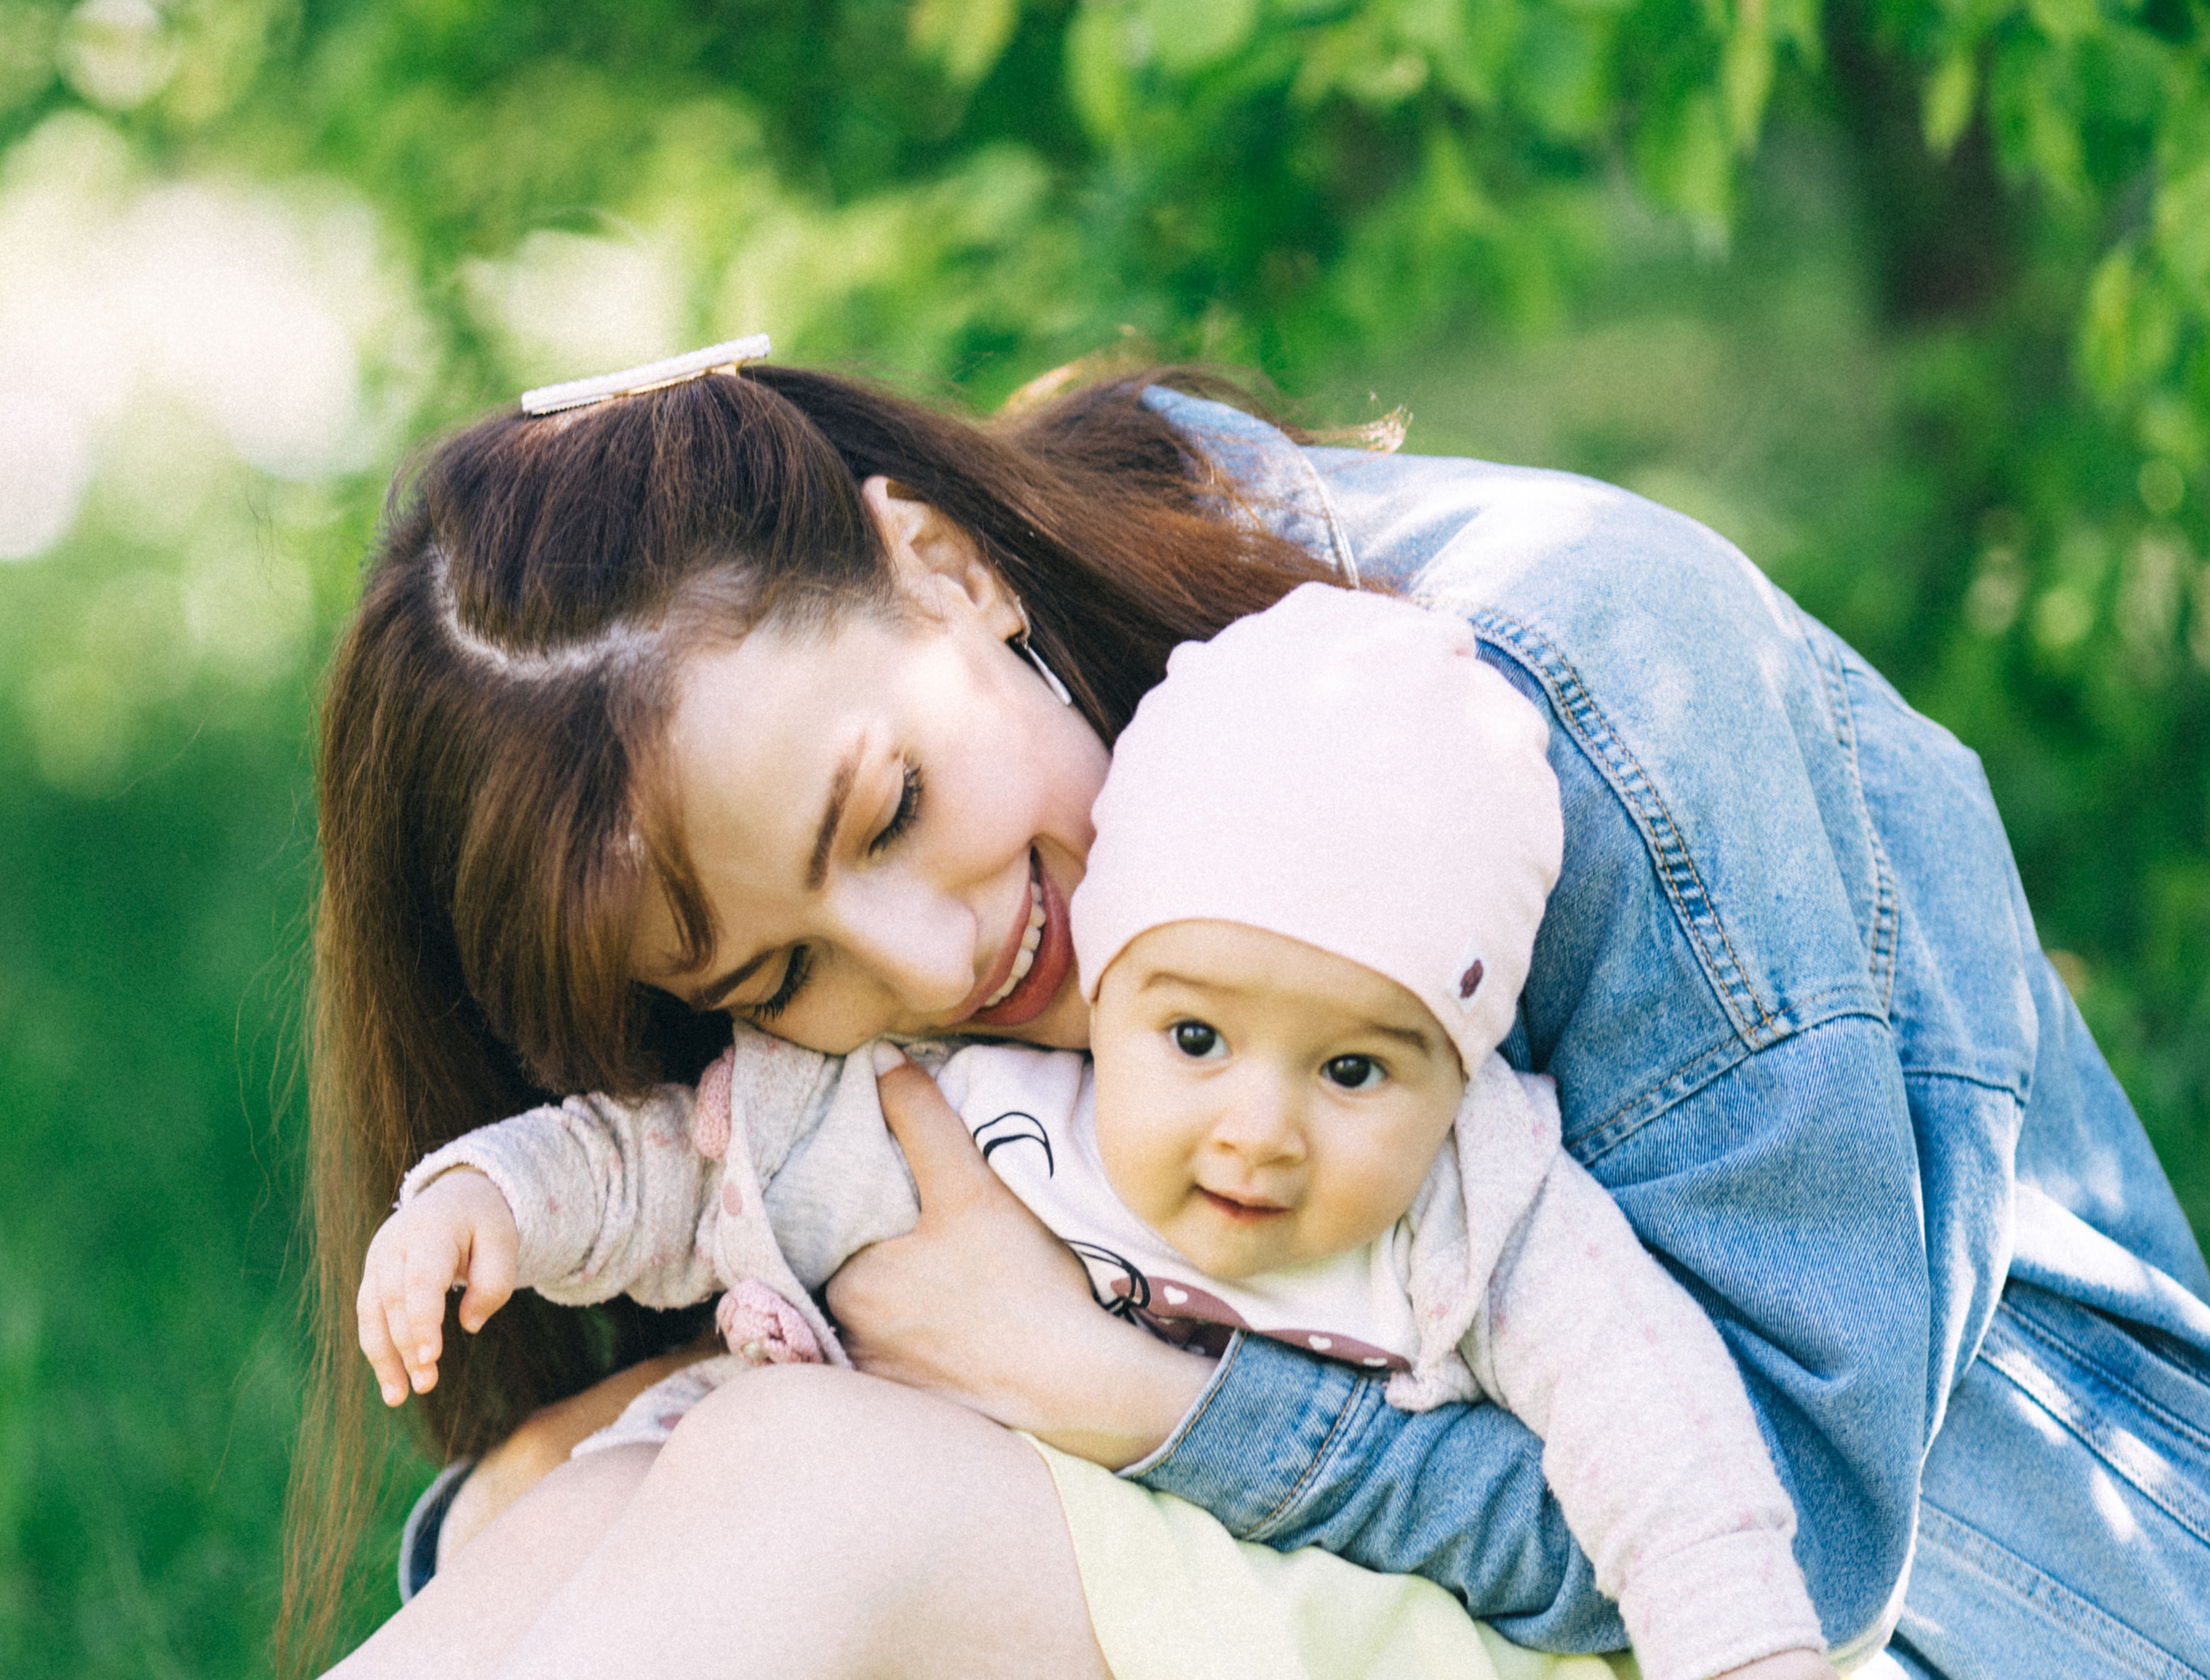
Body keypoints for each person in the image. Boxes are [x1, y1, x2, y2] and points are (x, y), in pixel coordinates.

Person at [285, 342, 2210, 1680]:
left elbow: (1791, 1532)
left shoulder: (1563, 696)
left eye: (884, 808)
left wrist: (1135, 1397)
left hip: (1934, 1609)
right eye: (774, 976)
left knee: (809, 1484)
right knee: (597, 1490)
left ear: (942, 566)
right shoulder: (984, 884)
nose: (926, 966)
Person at [356, 582, 1837, 1680]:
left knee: (788, 1463)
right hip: (1046, 1561)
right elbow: (660, 1164)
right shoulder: (926, 1083)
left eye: (1351, 1067)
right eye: (1193, 1036)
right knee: (573, 1514)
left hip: (1369, 1611)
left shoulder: (1477, 1202)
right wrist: (487, 1193)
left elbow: (1688, 1470)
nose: (1256, 1129)